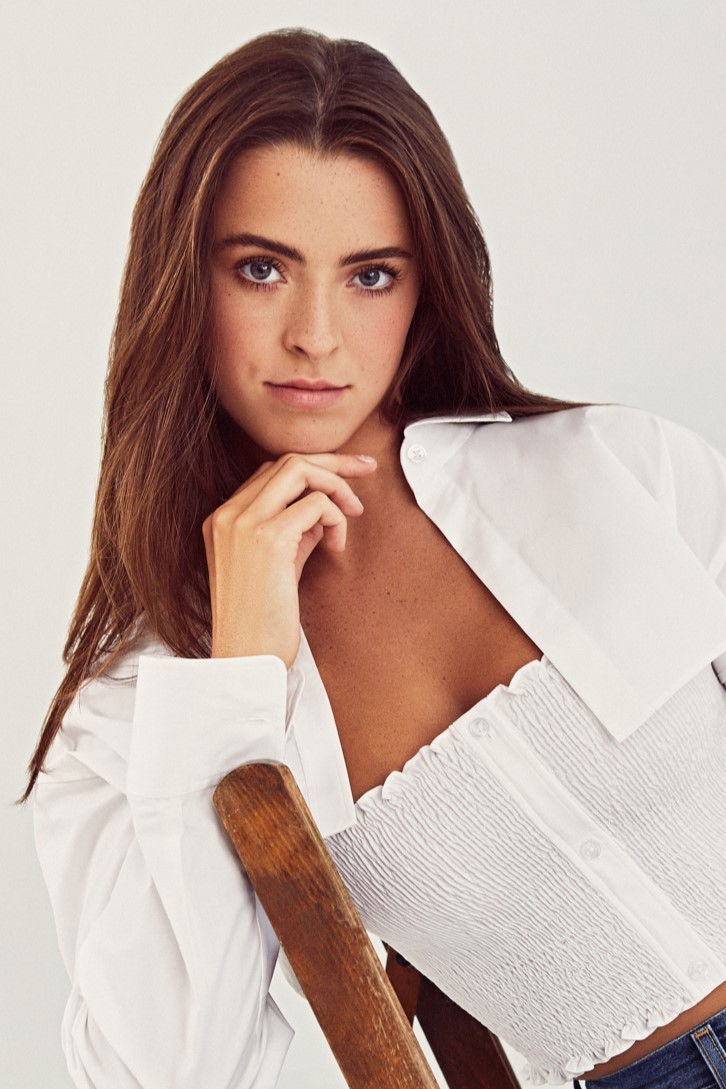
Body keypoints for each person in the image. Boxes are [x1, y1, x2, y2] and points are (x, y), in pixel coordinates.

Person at [18, 26, 726, 1089]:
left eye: (370, 274)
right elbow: (165, 1072)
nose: (315, 335)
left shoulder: (619, 468)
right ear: (183, 282)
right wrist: (236, 682)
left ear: (424, 286)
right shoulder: (140, 700)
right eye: (261, 269)